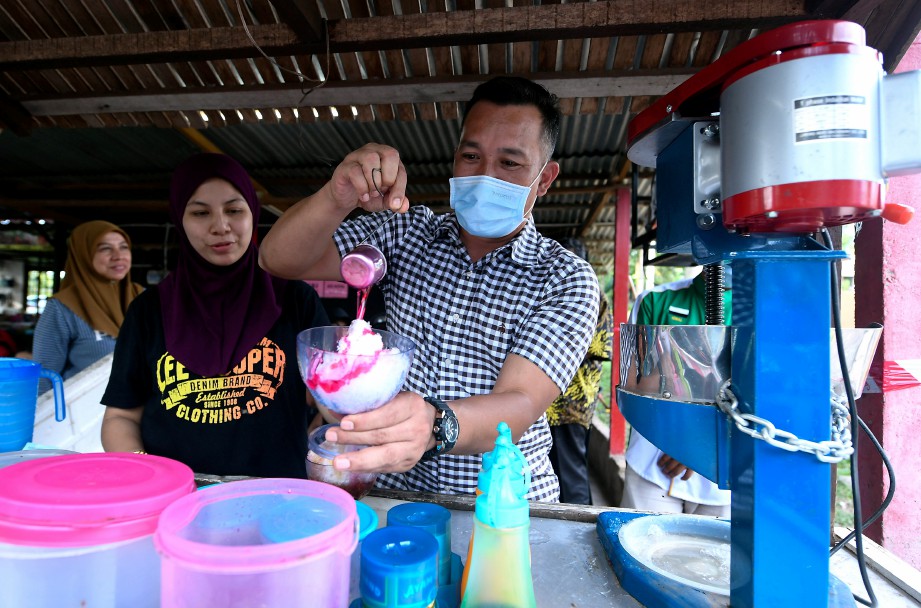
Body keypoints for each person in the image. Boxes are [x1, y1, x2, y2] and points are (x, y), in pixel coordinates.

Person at [260, 76, 600, 502]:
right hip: (395, 497)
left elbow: (519, 402)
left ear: (545, 178)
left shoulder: (565, 277)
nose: (484, 175)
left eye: (510, 164)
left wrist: (434, 424)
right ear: (454, 158)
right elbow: (278, 257)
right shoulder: (405, 231)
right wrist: (337, 195)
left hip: (502, 510)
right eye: (471, 155)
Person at [100, 153, 329, 478]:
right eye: (199, 213)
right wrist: (146, 474)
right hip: (176, 503)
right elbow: (121, 416)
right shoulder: (148, 310)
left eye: (234, 210)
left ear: (253, 213)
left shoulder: (295, 299)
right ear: (180, 219)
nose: (221, 226)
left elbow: (329, 401)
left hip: (279, 503)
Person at [620, 268, 732, 516]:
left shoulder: (764, 310)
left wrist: (700, 446)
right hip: (655, 461)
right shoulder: (656, 301)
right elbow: (635, 386)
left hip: (728, 469)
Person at [32, 220, 143, 392]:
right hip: (86, 414)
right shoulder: (62, 308)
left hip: (144, 410)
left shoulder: (143, 298)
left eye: (123, 247)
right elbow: (45, 379)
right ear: (83, 254)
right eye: (105, 248)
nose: (118, 255)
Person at [546, 237, 613, 504]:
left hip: (572, 404)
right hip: (546, 401)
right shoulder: (556, 289)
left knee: (571, 472)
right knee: (552, 468)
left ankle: (580, 529)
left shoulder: (593, 292)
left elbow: (598, 346)